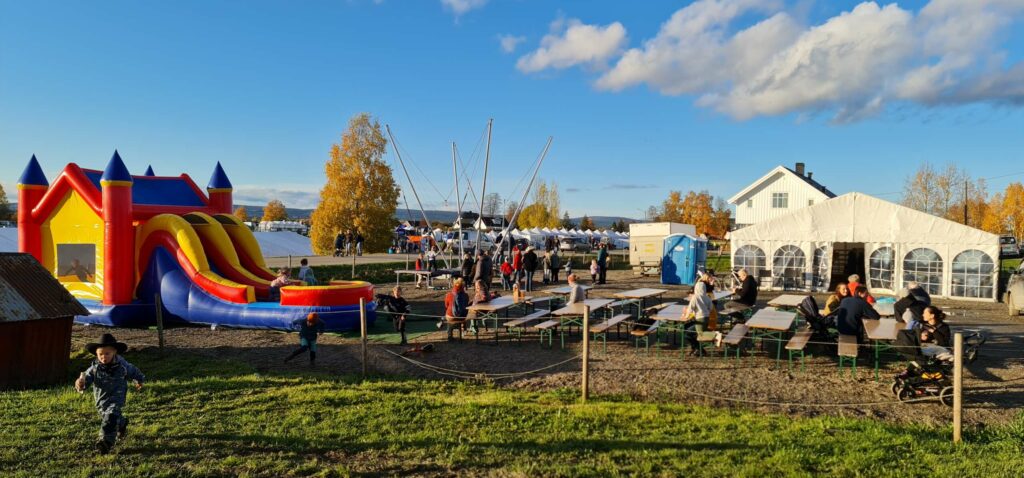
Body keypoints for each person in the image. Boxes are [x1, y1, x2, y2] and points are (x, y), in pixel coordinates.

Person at [75, 333, 145, 454]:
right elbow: (85, 380)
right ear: (96, 354)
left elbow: (133, 371)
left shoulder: (122, 366)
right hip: (101, 400)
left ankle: (105, 443)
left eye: (107, 354)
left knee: (111, 416)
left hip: (117, 398)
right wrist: (80, 383)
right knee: (110, 416)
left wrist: (139, 379)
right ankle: (122, 423)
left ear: (114, 353)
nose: (104, 357)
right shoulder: (94, 368)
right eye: (100, 354)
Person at [683, 273, 715, 355]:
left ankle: (715, 335)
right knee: (688, 329)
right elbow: (711, 308)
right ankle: (697, 349)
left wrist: (686, 316)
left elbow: (690, 308)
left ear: (696, 288)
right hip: (706, 318)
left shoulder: (695, 297)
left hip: (699, 318)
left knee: (693, 333)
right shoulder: (707, 297)